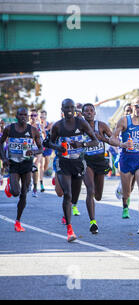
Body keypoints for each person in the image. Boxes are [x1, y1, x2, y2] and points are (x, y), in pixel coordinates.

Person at [47, 98, 99, 242]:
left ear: (74, 110)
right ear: (62, 109)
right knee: (67, 194)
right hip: (63, 163)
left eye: (72, 107)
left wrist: (81, 143)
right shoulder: (57, 126)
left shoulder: (80, 123)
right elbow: (50, 142)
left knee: (74, 197)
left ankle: (69, 211)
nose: (69, 110)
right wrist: (58, 148)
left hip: (78, 163)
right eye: (66, 107)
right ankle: (70, 229)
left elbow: (94, 140)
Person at [110, 97, 139, 235]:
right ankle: (121, 189)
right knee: (127, 193)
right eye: (136, 106)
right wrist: (122, 145)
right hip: (126, 160)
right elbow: (112, 138)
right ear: (132, 107)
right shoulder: (124, 120)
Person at [0, 107, 43, 232]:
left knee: (23, 193)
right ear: (16, 116)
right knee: (15, 192)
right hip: (13, 163)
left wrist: (33, 151)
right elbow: (0, 143)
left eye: (26, 115)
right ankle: (10, 186)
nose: (23, 117)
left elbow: (41, 148)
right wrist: (4, 159)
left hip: (27, 164)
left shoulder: (33, 130)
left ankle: (18, 221)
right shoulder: (10, 129)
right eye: (21, 114)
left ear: (29, 117)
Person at [81, 103, 114, 234]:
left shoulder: (101, 126)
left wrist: (102, 138)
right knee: (90, 189)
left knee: (98, 196)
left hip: (100, 161)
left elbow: (113, 139)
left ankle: (93, 214)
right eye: (86, 111)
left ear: (95, 113)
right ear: (82, 114)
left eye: (91, 110)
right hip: (85, 161)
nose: (89, 112)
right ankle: (93, 222)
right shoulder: (78, 127)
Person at [28, 109, 43, 197]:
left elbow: (43, 136)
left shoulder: (39, 126)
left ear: (37, 116)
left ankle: (35, 188)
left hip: (38, 149)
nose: (33, 117)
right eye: (31, 115)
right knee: (29, 166)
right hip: (28, 149)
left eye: (35, 115)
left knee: (34, 165)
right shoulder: (26, 125)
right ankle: (29, 183)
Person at [38, 109, 53, 192]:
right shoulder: (36, 125)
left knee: (45, 165)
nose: (42, 118)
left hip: (47, 147)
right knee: (40, 165)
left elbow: (48, 133)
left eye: (43, 116)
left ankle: (41, 174)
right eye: (40, 116)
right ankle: (41, 183)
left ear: (46, 116)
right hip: (39, 147)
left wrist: (45, 129)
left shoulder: (49, 124)